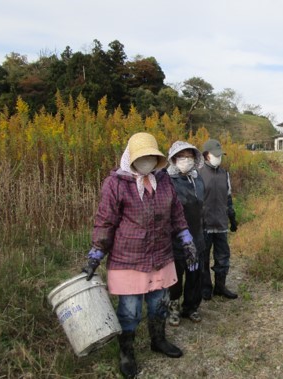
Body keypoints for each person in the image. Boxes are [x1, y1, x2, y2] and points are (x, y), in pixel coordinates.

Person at [82, 132, 198, 379]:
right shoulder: (116, 183)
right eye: (142, 157)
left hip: (161, 254)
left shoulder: (163, 180)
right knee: (130, 310)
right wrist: (96, 253)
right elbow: (106, 221)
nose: (147, 161)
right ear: (131, 158)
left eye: (151, 157)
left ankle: (158, 340)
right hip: (128, 258)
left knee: (160, 303)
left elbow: (176, 213)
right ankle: (127, 352)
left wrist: (187, 240)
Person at [166, 141, 205, 326]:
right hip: (175, 238)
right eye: (182, 157)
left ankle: (191, 307)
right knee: (176, 275)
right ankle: (173, 307)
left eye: (189, 157)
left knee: (195, 274)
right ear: (174, 159)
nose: (186, 160)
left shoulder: (197, 179)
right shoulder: (166, 180)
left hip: (197, 234)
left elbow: (201, 206)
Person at [198, 139, 239, 300]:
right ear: (206, 156)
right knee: (203, 258)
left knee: (223, 257)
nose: (218, 158)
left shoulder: (224, 174)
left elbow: (228, 198)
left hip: (221, 223)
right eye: (215, 155)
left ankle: (220, 287)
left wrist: (232, 218)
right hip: (204, 225)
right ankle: (205, 288)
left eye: (220, 155)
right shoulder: (198, 173)